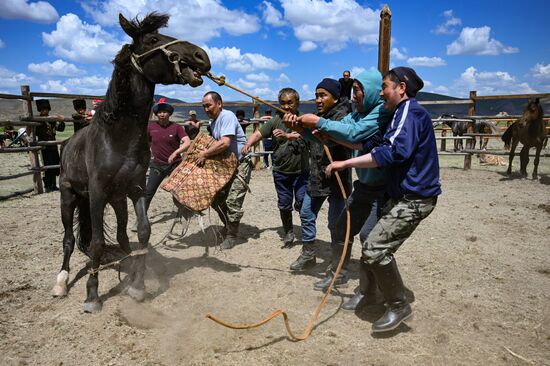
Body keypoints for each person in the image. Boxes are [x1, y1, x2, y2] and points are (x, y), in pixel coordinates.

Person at [326, 66, 441, 332]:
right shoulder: (398, 115)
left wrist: (345, 163)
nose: (381, 93)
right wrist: (329, 134)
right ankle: (368, 294)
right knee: (371, 241)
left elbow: (390, 153)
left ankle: (399, 306)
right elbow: (372, 144)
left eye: (385, 87)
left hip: (415, 198)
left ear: (401, 88)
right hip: (401, 195)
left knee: (375, 247)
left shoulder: (409, 112)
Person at [284, 68, 390, 308]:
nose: (354, 96)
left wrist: (318, 122)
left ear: (372, 91)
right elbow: (328, 138)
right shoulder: (356, 114)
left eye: (358, 90)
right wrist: (301, 129)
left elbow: (356, 134)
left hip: (381, 188)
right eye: (352, 91)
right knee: (341, 227)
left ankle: (376, 292)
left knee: (368, 237)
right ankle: (340, 273)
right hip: (364, 184)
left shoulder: (379, 113)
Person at [289, 78, 352, 271]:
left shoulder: (344, 116)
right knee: (306, 212)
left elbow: (332, 141)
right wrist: (296, 130)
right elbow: (310, 142)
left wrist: (306, 127)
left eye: (323, 95)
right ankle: (309, 255)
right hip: (317, 176)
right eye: (316, 95)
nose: (317, 99)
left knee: (336, 223)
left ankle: (339, 266)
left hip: (337, 179)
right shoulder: (319, 115)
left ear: (335, 97)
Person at [242, 88, 309, 247]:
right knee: (284, 203)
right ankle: (288, 231)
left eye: (290, 103)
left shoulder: (303, 120)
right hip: (281, 172)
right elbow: (259, 134)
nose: (286, 107)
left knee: (302, 202)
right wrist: (248, 144)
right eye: (283, 103)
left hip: (301, 172)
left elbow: (309, 135)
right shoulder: (274, 121)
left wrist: (289, 135)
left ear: (297, 103)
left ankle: (307, 233)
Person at [200, 91, 252, 249]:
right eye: (204, 106)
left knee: (232, 201)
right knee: (216, 198)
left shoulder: (227, 116)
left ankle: (231, 236)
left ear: (219, 103)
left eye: (209, 105)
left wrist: (205, 154)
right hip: (227, 165)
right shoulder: (213, 123)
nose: (206, 109)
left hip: (241, 164)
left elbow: (225, 143)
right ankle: (228, 226)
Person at [143, 98, 191, 215]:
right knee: (148, 191)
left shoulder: (176, 127)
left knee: (178, 190)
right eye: (159, 112)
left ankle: (182, 213)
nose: (162, 114)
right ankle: (142, 217)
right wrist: (148, 155)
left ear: (169, 113)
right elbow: (147, 143)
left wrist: (175, 153)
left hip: (175, 164)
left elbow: (187, 142)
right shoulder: (151, 128)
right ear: (156, 114)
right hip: (157, 165)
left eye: (164, 112)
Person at [35, 99, 65, 192]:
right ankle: (47, 186)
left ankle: (53, 185)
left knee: (55, 164)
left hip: (53, 145)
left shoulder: (52, 120)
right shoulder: (37, 120)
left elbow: (60, 129)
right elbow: (36, 132)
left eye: (46, 109)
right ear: (40, 110)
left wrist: (61, 121)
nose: (45, 111)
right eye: (43, 109)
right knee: (46, 165)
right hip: (44, 146)